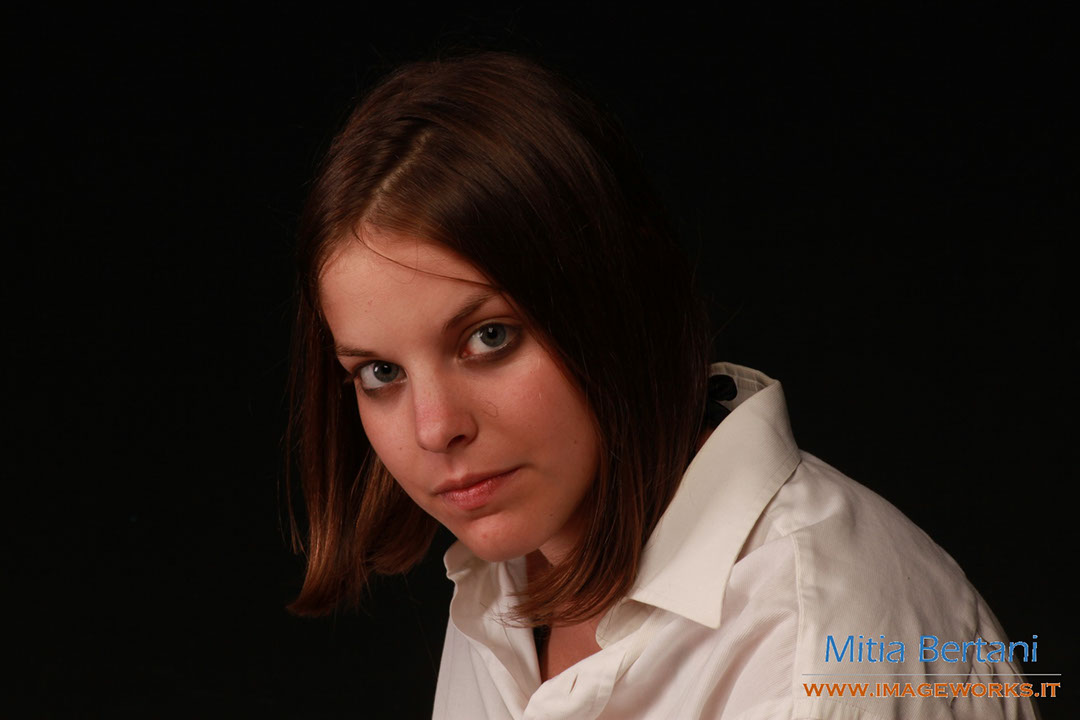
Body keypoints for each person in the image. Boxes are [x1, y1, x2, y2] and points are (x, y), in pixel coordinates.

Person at [287, 52, 1038, 719]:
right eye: (381, 373)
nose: (433, 428)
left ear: (617, 297)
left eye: (490, 337)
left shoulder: (817, 652)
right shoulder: (508, 571)